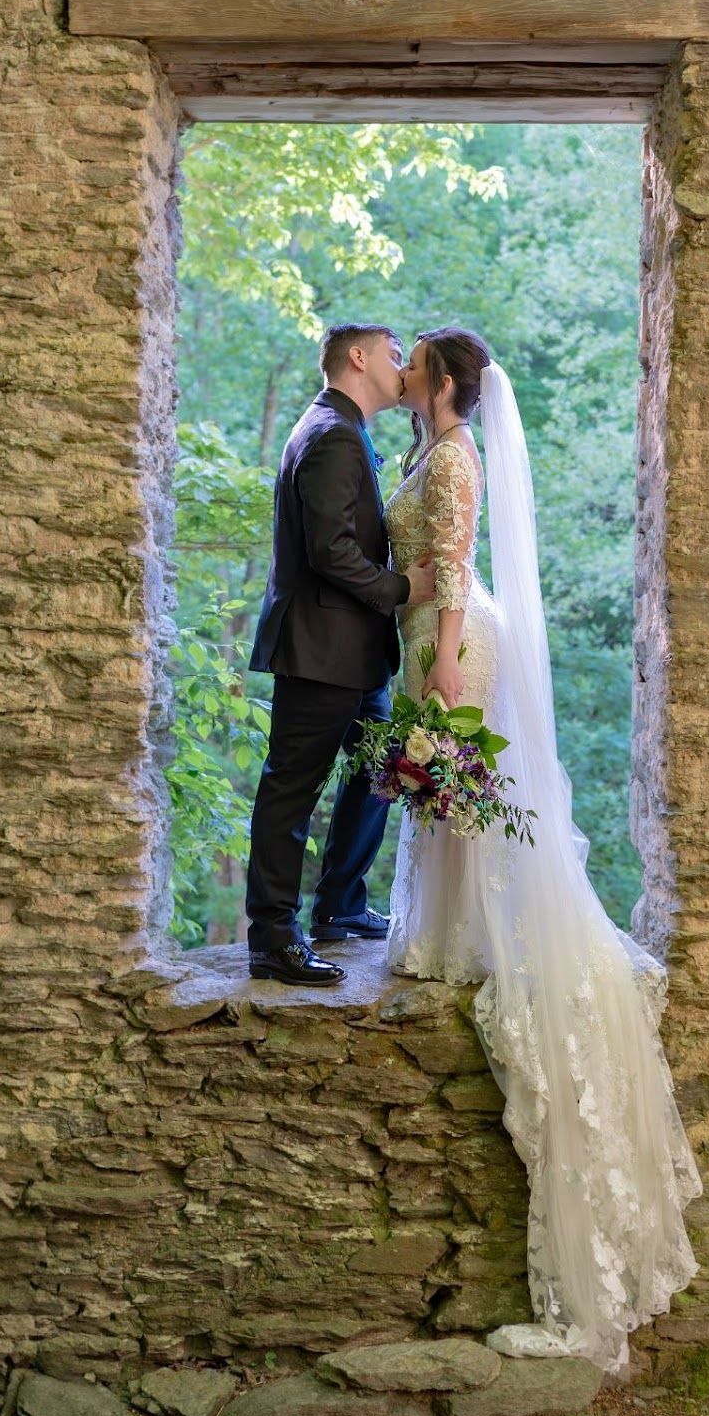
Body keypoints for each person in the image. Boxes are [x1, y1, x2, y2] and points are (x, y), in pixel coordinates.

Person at [383, 326, 703, 1375]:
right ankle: (446, 933)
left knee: (458, 792)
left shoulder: (458, 456)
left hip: (456, 637)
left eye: (411, 362)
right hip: (431, 630)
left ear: (438, 380)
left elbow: (451, 559)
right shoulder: (423, 450)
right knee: (443, 801)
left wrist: (436, 664)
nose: (400, 374)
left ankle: (474, 935)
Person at [245, 322, 435, 986]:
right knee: (291, 792)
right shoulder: (329, 434)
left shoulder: (346, 431)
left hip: (355, 653)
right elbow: (330, 552)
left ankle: (341, 906)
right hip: (319, 650)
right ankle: (272, 937)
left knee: (380, 771)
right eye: (391, 354)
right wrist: (405, 588)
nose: (399, 366)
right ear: (358, 358)